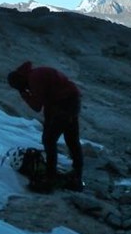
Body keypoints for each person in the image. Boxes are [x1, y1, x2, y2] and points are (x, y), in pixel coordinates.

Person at [7, 61, 83, 192]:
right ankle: (76, 176)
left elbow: (37, 106)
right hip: (70, 101)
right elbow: (48, 100)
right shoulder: (35, 75)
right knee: (71, 139)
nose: (21, 88)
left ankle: (50, 178)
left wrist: (24, 95)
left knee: (49, 140)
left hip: (65, 104)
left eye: (18, 86)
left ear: (20, 80)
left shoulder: (34, 79)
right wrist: (48, 121)